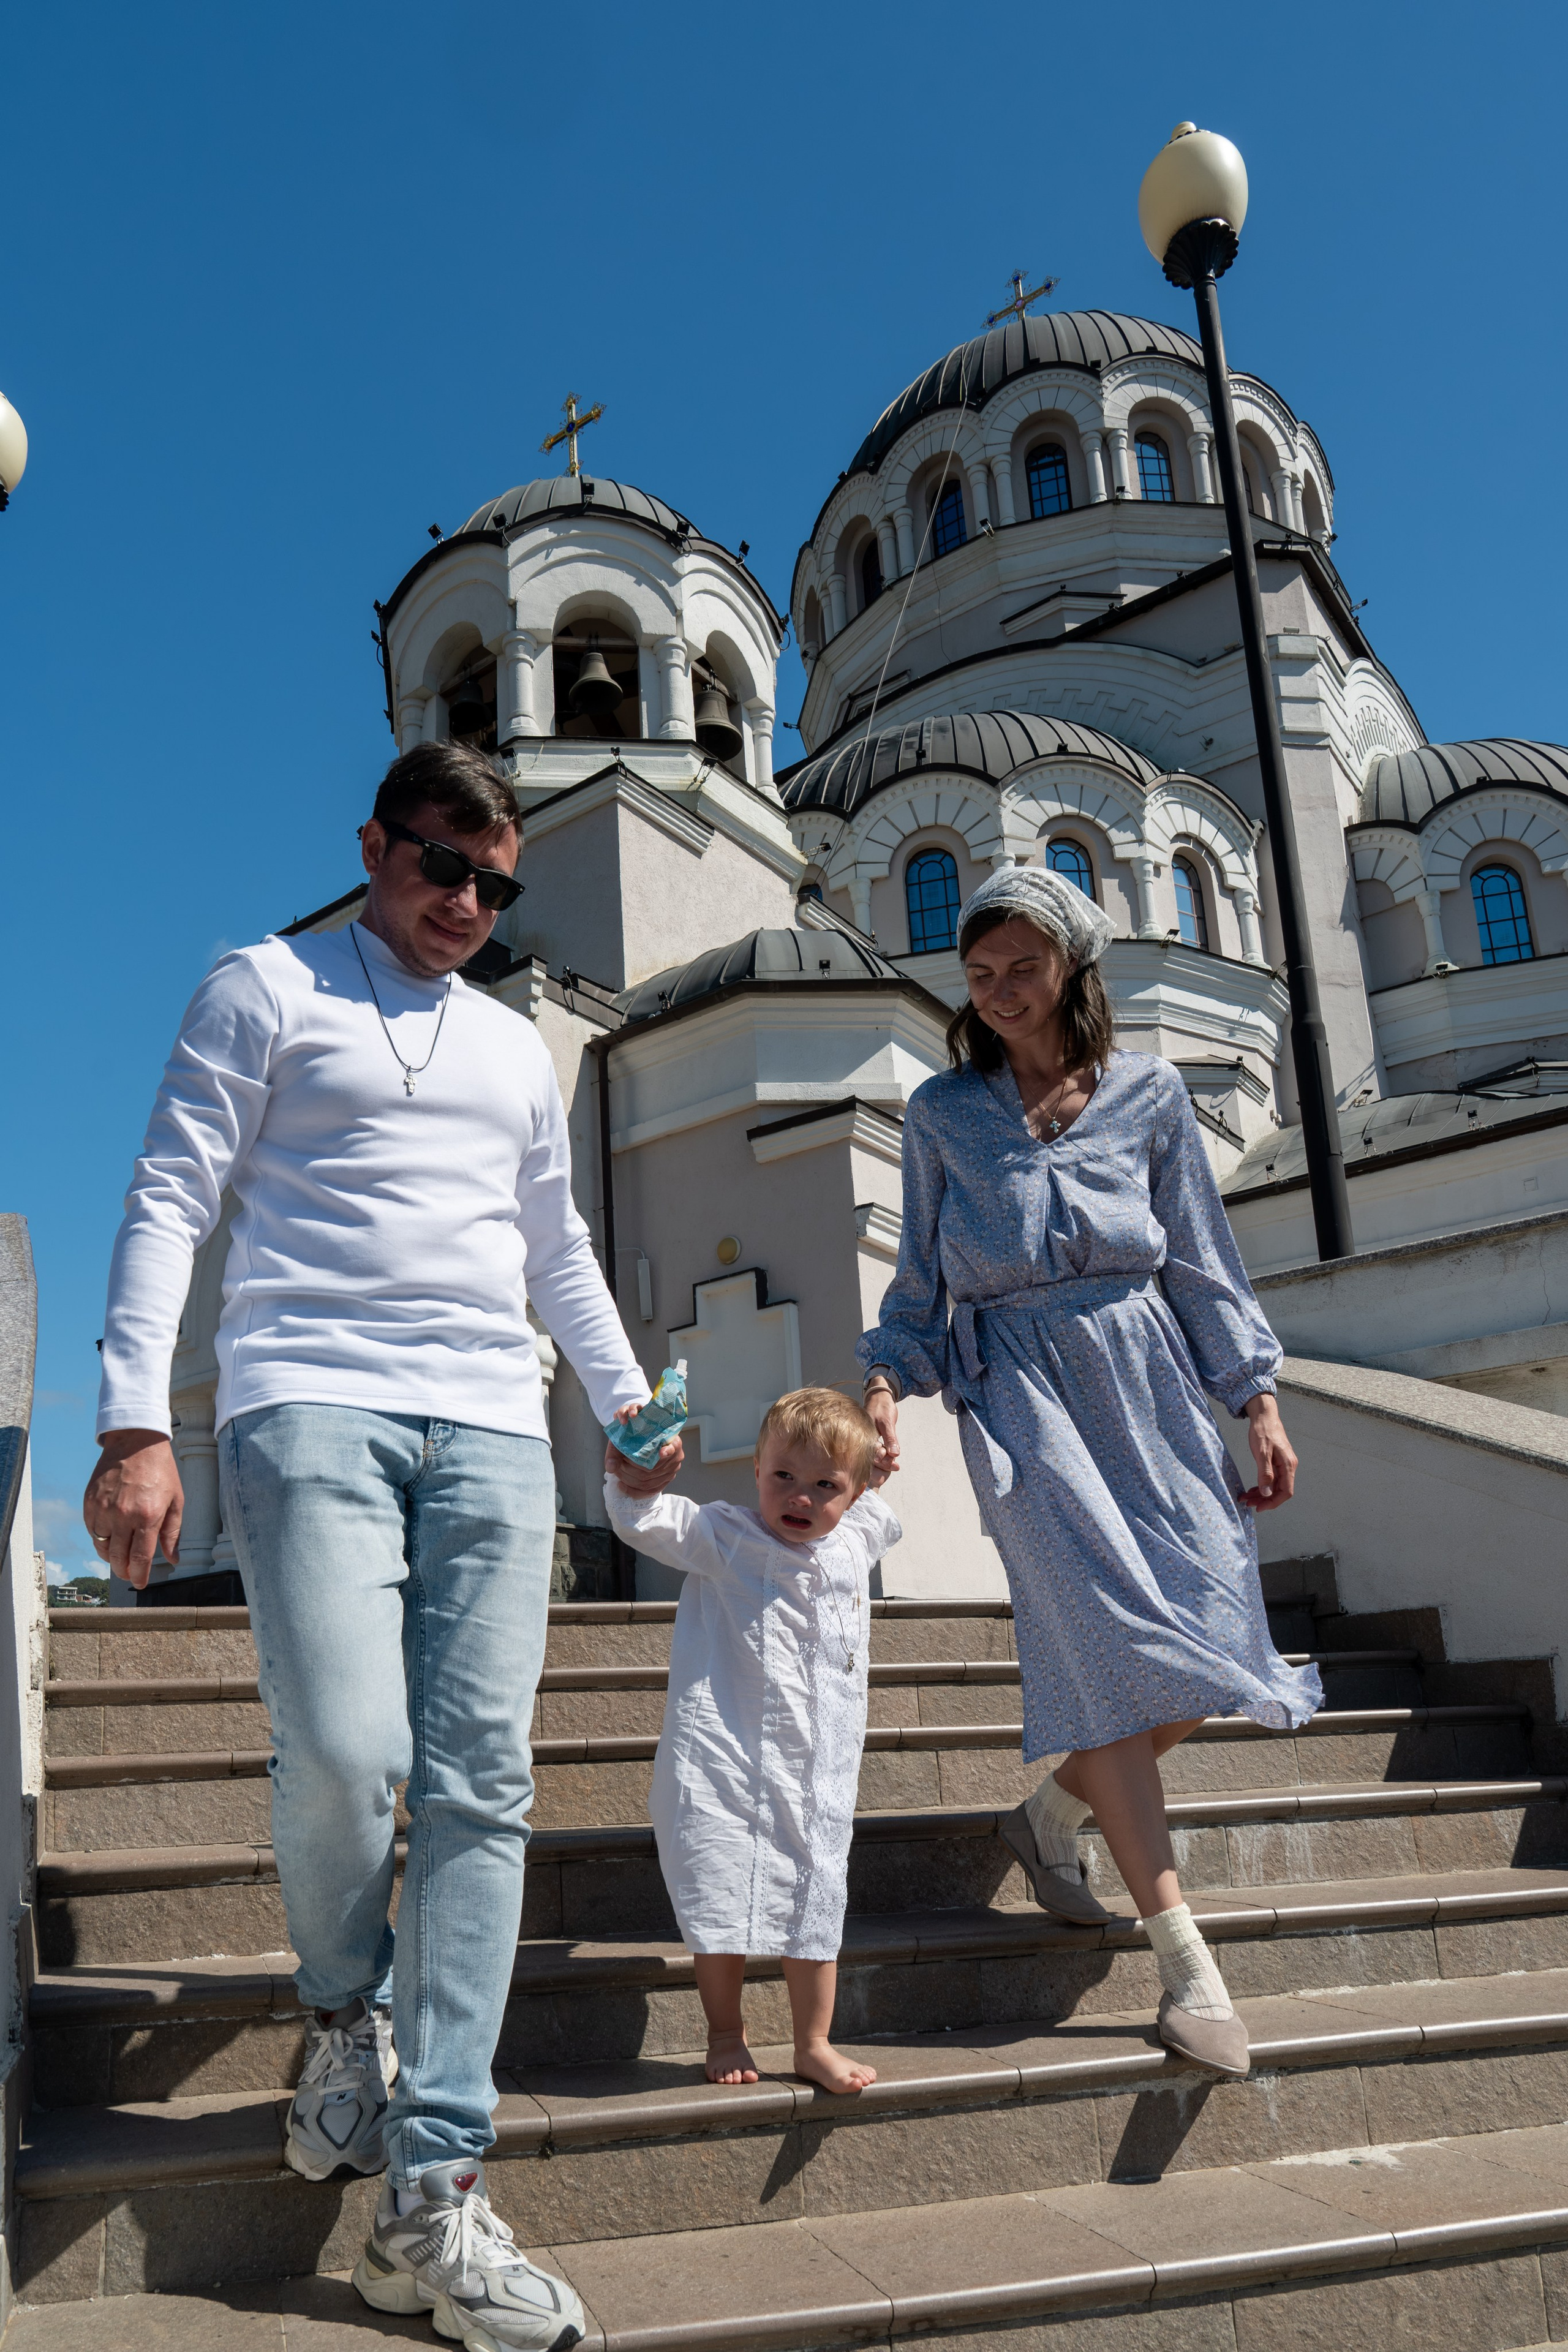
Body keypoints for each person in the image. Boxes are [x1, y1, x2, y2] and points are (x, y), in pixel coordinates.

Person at [83, 739, 681, 2352]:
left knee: (485, 1782)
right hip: (309, 1405)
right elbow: (167, 1198)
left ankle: (433, 2195)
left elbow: (554, 1244)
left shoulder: (505, 1044)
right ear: (375, 844)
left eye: (497, 885)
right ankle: (346, 2018)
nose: (467, 907)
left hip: (493, 1424)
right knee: (349, 1753)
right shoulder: (265, 988)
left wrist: (624, 1408)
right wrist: (134, 1419)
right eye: (442, 870)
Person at [857, 864, 1319, 2081]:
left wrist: (1253, 1402)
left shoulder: (1152, 1095)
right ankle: (1183, 1961)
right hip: (1017, 1395)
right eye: (978, 974)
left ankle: (1051, 1814)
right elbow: (916, 1278)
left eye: (1022, 967)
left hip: (1151, 1386)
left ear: (1070, 966)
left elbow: (1204, 1266)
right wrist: (881, 1385)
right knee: (1102, 1650)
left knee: (1207, 1637)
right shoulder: (941, 1113)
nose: (1000, 991)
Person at [605, 1387, 902, 2094]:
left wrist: (876, 1468)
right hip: (723, 1758)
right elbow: (645, 1520)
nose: (800, 1497)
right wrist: (634, 1470)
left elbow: (881, 1515)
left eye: (825, 1485)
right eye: (783, 1478)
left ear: (853, 1492)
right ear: (757, 1474)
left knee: (815, 1894)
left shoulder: (854, 1537)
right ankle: (725, 2030)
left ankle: (813, 2042)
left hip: (817, 1767)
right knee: (721, 1891)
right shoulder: (725, 1535)